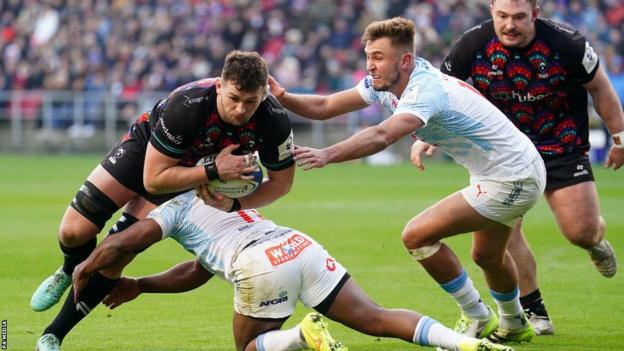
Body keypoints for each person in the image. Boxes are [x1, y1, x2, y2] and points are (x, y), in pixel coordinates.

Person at [269, 17, 543, 344]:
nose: (370, 66)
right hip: (507, 169)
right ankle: (514, 322)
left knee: (417, 236)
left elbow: (383, 134)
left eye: (379, 58)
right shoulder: (385, 83)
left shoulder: (424, 89)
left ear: (405, 60)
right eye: (369, 56)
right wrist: (284, 96)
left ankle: (477, 316)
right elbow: (326, 105)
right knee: (486, 256)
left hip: (512, 176)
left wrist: (328, 154)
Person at [32, 50, 296, 350]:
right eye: (234, 98)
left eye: (250, 102)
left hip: (190, 174)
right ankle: (68, 269)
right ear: (220, 86)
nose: (240, 110)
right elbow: (153, 179)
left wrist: (234, 204)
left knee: (117, 254)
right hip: (148, 151)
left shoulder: (273, 120)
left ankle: (52, 335)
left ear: (263, 94)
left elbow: (282, 184)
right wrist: (213, 169)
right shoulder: (189, 105)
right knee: (74, 230)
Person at [60, 190, 514, 351]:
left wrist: (83, 266)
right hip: (298, 245)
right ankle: (467, 344)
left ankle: (302, 336)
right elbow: (199, 270)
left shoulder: (171, 206)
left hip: (260, 265)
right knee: (376, 317)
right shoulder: (219, 194)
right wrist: (140, 285)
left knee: (250, 346)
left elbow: (125, 241)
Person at [439, 0, 624, 335]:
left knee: (580, 232)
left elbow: (600, 88)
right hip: (503, 155)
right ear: (492, 11)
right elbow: (438, 93)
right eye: (502, 17)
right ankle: (534, 312)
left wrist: (620, 137)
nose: (510, 25)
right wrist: (427, 135)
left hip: (561, 148)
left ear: (535, 14)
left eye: (519, 17)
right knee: (506, 235)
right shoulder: (471, 44)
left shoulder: (568, 43)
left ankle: (595, 241)